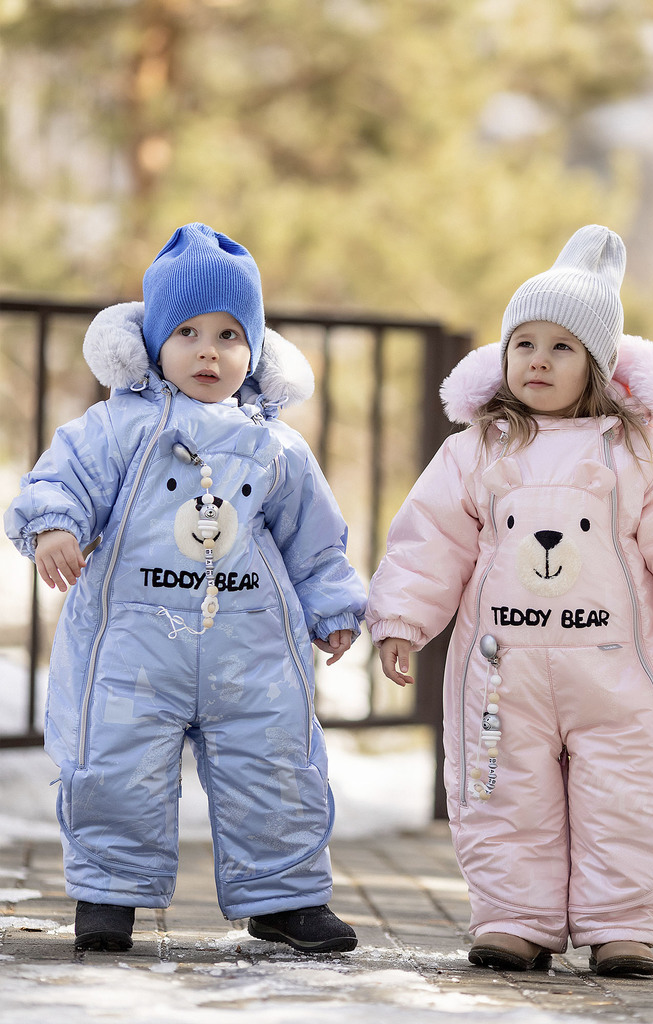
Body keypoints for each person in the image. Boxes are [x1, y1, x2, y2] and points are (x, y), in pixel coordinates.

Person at [365, 224, 653, 977]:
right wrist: (403, 619)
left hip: (619, 675)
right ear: (503, 357)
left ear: (598, 366)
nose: (537, 359)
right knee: (501, 788)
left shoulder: (641, 452)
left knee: (631, 787)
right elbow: (428, 539)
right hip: (500, 674)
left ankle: (623, 925)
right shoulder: (477, 449)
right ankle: (515, 919)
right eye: (524, 344)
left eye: (562, 347)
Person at [5, 222, 367, 955]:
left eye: (230, 335)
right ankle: (109, 894)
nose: (209, 352)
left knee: (274, 763)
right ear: (152, 343)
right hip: (134, 646)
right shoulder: (117, 426)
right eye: (189, 333)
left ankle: (286, 897)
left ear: (255, 349)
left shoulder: (275, 443)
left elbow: (314, 538)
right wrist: (54, 526)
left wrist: (331, 605)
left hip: (251, 650)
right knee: (116, 763)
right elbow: (60, 478)